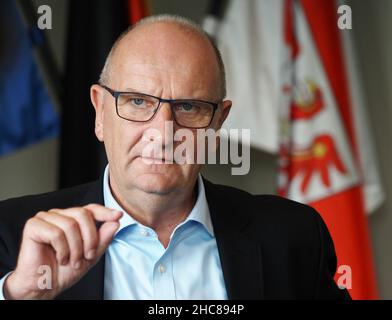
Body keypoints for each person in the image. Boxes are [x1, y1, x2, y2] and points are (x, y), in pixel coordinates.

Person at [0, 14, 350, 300]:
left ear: (217, 123)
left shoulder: (292, 237)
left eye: (188, 107)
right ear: (100, 112)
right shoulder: (11, 235)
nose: (163, 133)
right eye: (138, 101)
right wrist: (20, 295)